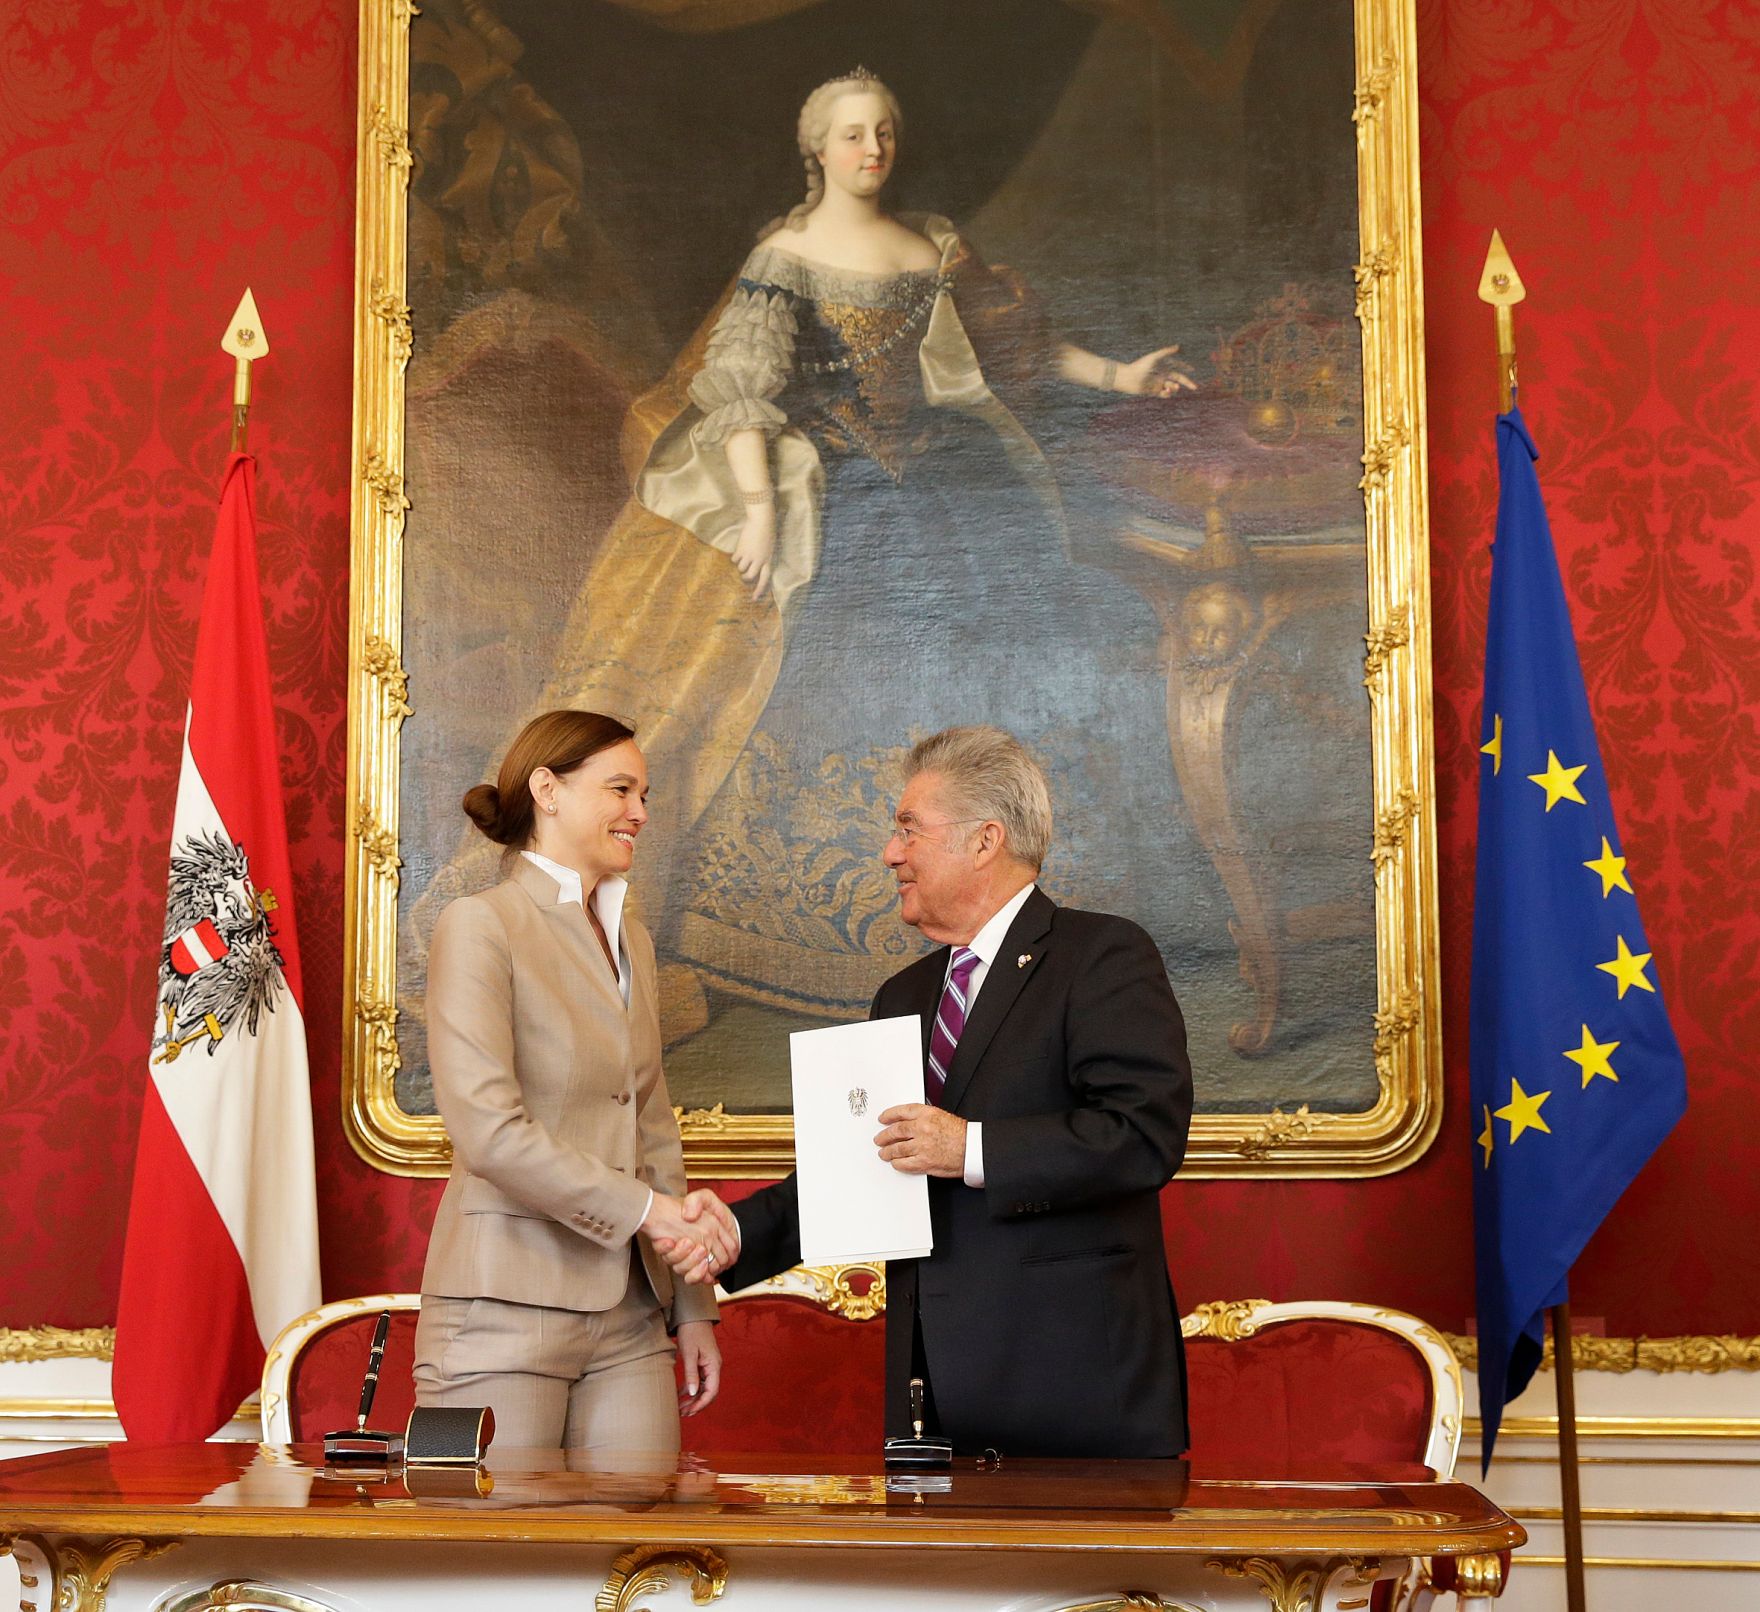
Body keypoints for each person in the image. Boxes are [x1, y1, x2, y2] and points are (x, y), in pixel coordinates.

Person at [428, 67, 1197, 1032]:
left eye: (881, 132)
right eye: (849, 135)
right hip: (834, 485)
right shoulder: (787, 254)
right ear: (816, 150)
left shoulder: (933, 244)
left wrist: (1124, 373)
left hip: (951, 485)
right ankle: (811, 919)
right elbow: (741, 389)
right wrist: (757, 509)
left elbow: (1011, 354)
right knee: (832, 650)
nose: (869, 149)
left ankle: (995, 898)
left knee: (1010, 637)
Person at [661, 726, 1194, 1458]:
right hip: (931, 1388)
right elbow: (866, 1168)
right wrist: (729, 1235)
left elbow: (1142, 1137)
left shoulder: (1101, 955)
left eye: (909, 829)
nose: (889, 853)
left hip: (1074, 1387)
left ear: (984, 841)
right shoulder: (903, 995)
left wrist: (968, 1146)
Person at [412, 709, 738, 1454]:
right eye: (621, 789)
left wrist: (691, 1308)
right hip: (498, 1307)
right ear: (547, 791)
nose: (641, 813)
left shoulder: (636, 942)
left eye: (646, 794)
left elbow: (652, 1127)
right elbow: (489, 1134)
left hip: (631, 1315)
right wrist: (648, 1211)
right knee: (490, 1561)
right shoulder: (479, 925)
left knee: (635, 1557)